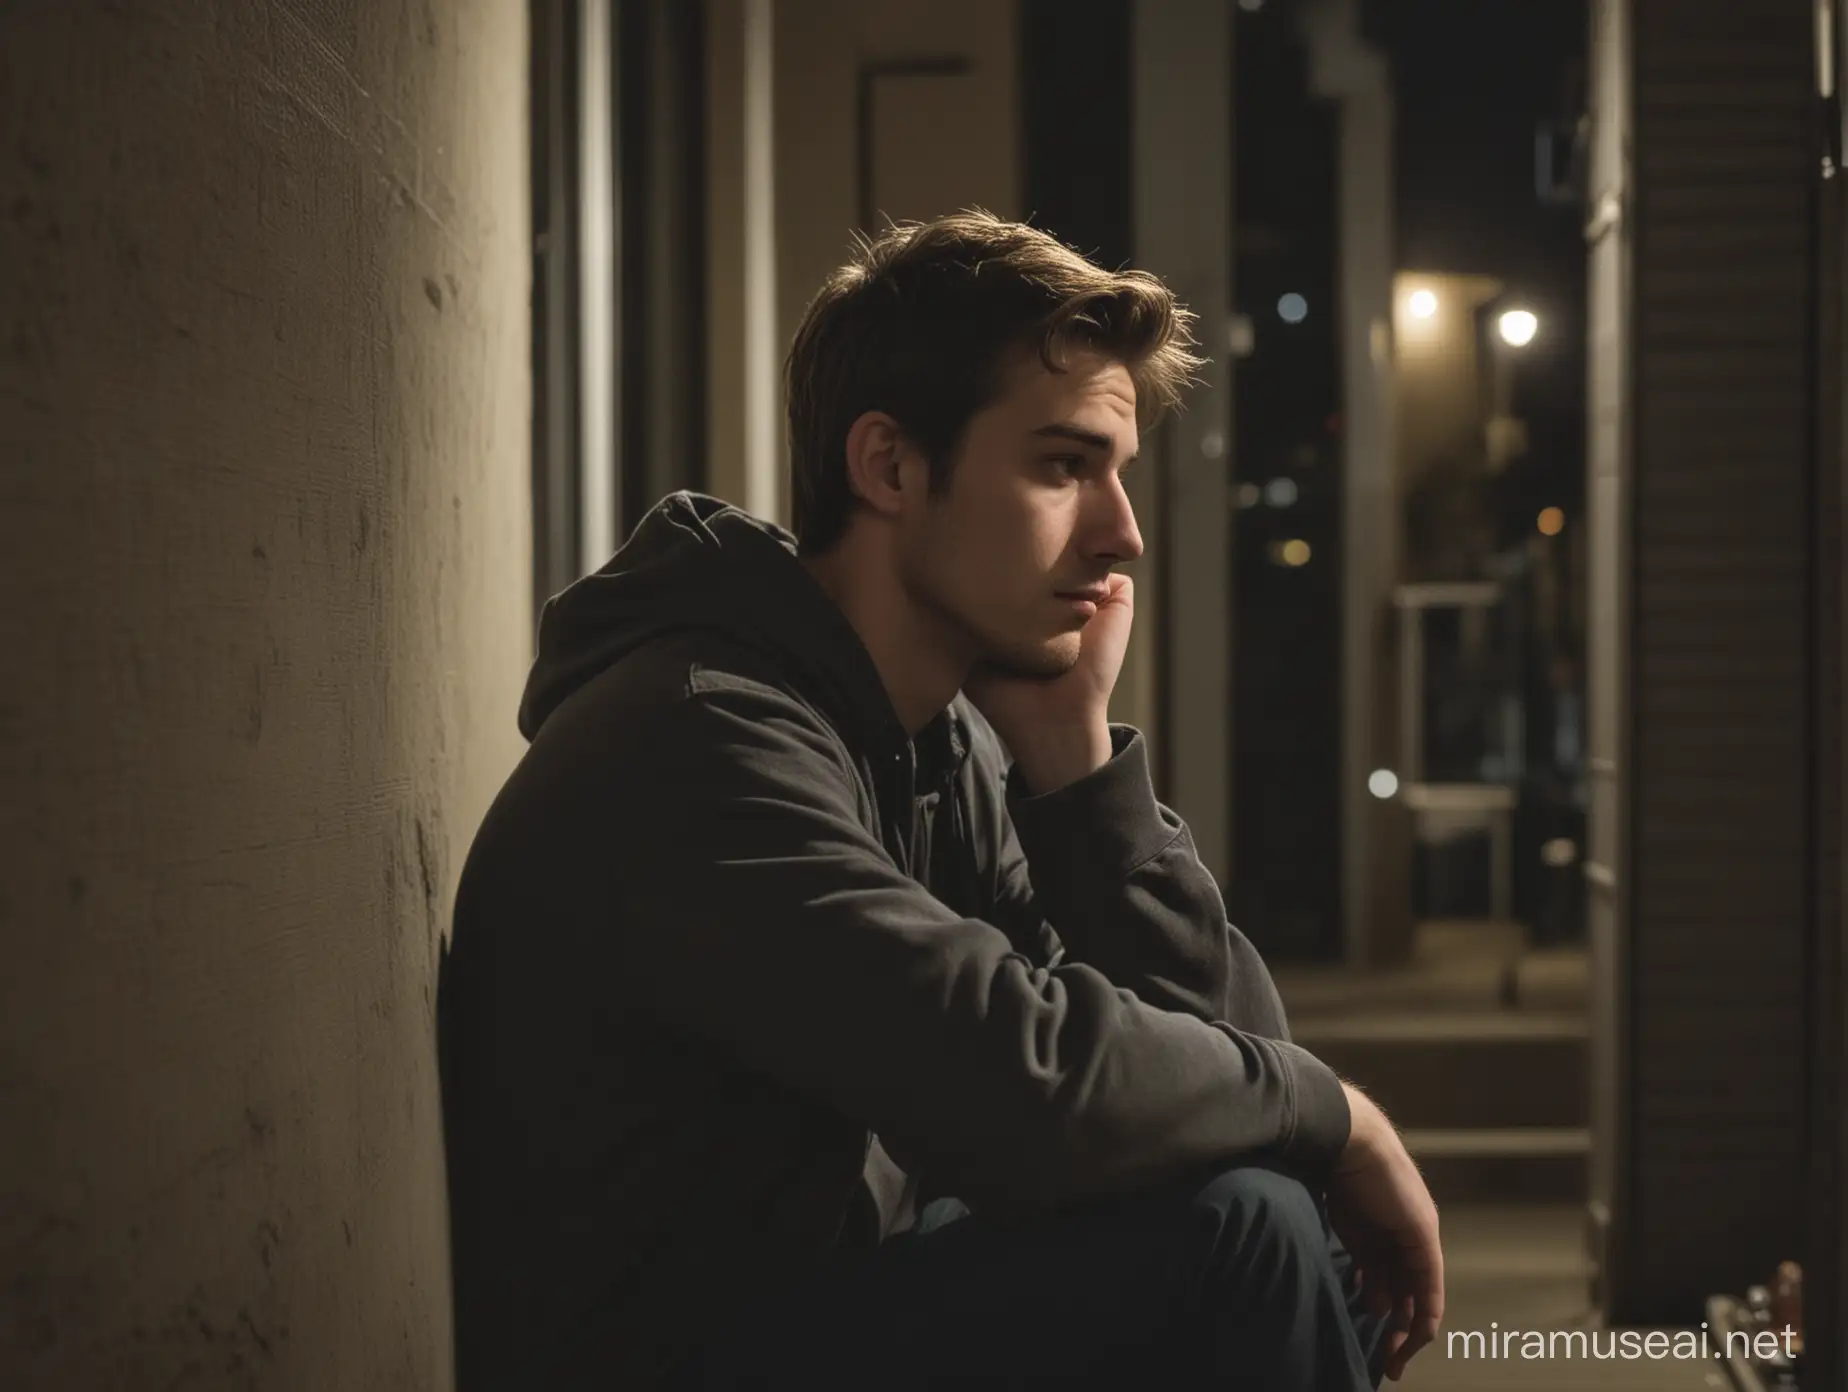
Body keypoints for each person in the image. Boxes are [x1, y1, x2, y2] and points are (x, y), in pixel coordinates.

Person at [438, 211, 1443, 1389]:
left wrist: (1077, 775)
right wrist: (1337, 1112)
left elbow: (1209, 1074)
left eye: (1117, 475)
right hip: (682, 1358)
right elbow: (1023, 1084)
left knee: (1259, 1188)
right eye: (1064, 467)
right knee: (1247, 1232)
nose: (1121, 536)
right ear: (891, 466)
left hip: (836, 1298)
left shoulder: (929, 746)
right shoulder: (702, 739)